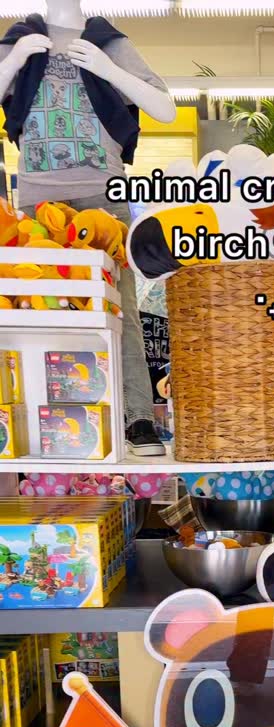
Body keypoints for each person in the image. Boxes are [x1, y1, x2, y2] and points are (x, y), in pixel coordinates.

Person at [0, 2, 177, 457]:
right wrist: (14, 60)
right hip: (38, 201)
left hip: (104, 196)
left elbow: (165, 109)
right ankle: (45, 423)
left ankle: (137, 417)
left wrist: (107, 68)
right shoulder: (20, 39)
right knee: (37, 309)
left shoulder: (108, 40)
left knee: (121, 310)